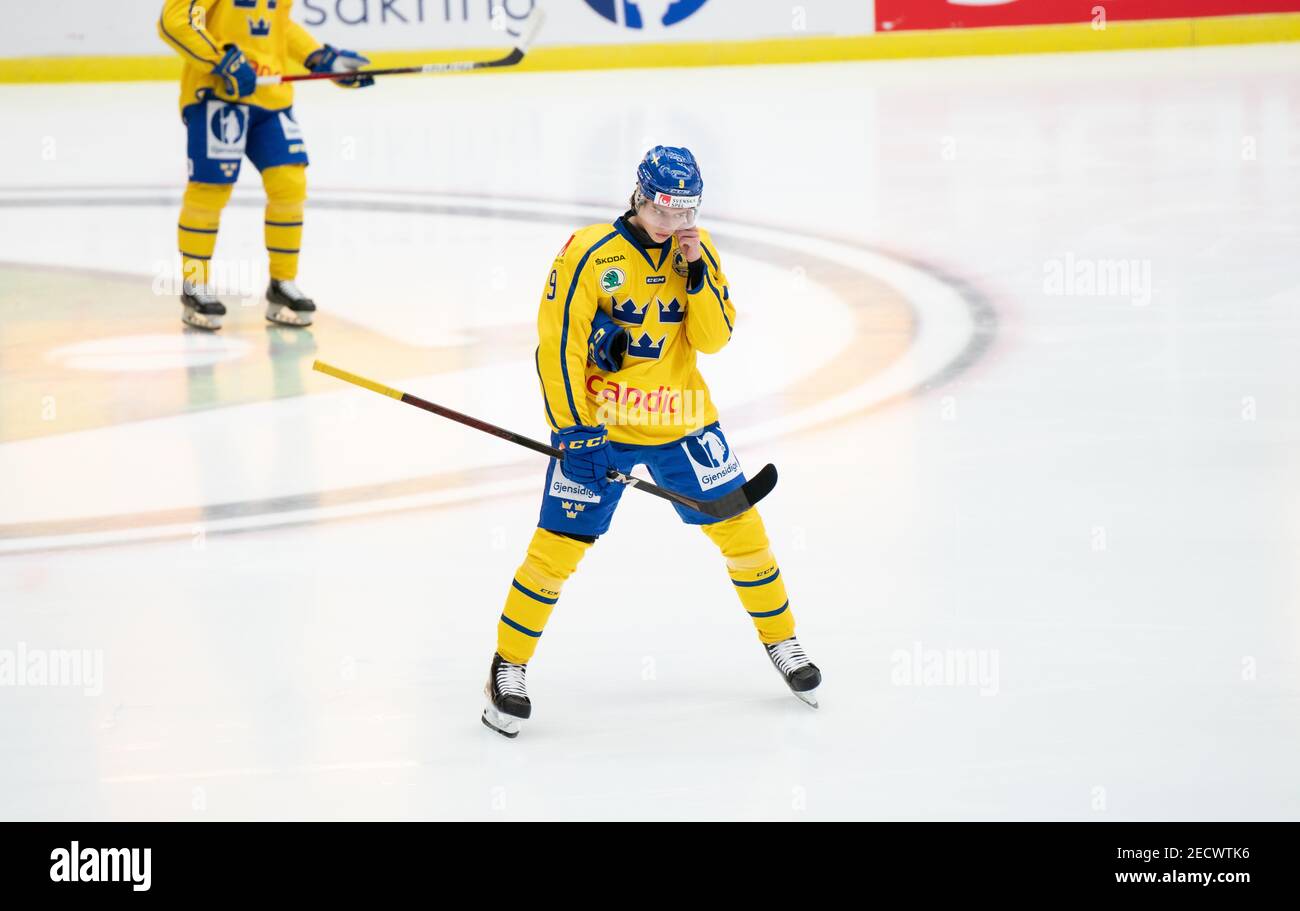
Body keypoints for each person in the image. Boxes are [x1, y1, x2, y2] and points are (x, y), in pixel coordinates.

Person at [481, 146, 821, 738]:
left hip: (684, 422)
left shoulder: (698, 247)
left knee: (744, 534)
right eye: (664, 211)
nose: (673, 224)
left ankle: (783, 642)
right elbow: (556, 344)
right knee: (556, 550)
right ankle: (507, 667)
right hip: (599, 430)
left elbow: (714, 339)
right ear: (639, 197)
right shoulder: (590, 253)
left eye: (685, 211)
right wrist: (572, 430)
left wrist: (696, 275)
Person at [158, 0, 373, 330]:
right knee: (210, 190)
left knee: (290, 183)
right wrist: (220, 61)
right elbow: (175, 22)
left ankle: (282, 284)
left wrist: (319, 58)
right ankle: (194, 284)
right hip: (218, 95)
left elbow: (278, 25)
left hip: (271, 99)